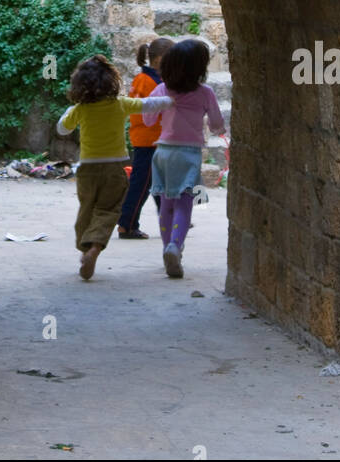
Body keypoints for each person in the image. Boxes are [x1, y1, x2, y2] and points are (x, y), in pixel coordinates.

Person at [57, 54, 172, 280]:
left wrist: (69, 112)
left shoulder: (80, 109)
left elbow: (62, 129)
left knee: (86, 208)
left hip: (87, 170)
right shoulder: (120, 104)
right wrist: (175, 99)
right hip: (115, 168)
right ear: (111, 81)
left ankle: (84, 247)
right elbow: (149, 105)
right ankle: (95, 248)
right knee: (108, 210)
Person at [141, 37, 225, 279]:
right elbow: (218, 123)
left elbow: (147, 119)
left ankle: (168, 248)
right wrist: (219, 131)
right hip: (188, 155)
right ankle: (175, 247)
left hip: (163, 153)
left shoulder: (161, 90)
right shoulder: (205, 93)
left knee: (166, 205)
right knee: (184, 204)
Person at [117, 37, 174, 240]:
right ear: (159, 60)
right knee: (142, 183)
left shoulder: (147, 80)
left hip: (151, 138)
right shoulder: (149, 82)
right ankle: (127, 223)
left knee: (158, 181)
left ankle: (170, 216)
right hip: (148, 139)